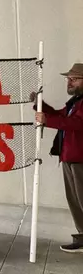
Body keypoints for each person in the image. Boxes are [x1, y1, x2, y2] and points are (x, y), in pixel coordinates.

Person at [33, 63, 83, 253]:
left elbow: (77, 124)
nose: (69, 82)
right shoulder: (75, 102)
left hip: (80, 160)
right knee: (75, 202)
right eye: (68, 79)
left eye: (74, 79)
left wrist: (48, 120)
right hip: (70, 158)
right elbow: (59, 115)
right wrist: (40, 105)